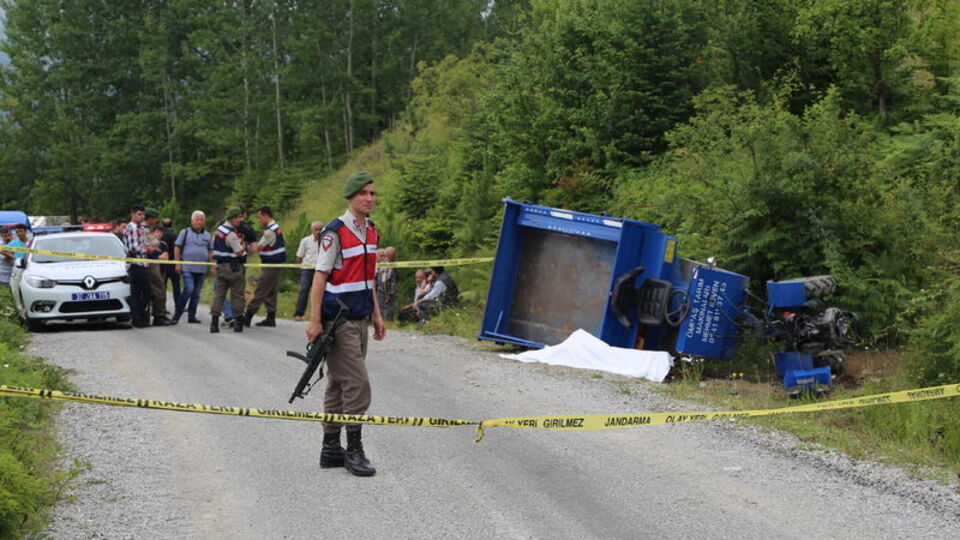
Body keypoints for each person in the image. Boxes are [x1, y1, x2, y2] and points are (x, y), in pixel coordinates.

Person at [306, 171, 387, 477]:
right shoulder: (335, 232)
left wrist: (376, 315)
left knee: (339, 384)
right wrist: (315, 320)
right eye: (363, 193)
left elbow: (369, 279)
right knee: (357, 383)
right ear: (350, 197)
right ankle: (354, 450)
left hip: (360, 317)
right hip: (337, 321)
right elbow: (319, 278)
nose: (369, 198)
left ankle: (330, 448)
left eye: (372, 193)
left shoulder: (371, 231)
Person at [241, 205, 285, 328]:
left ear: (265, 215)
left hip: (271, 264)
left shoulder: (270, 231)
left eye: (259, 217)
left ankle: (248, 316)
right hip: (274, 263)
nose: (258, 220)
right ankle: (271, 317)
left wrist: (245, 246)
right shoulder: (275, 227)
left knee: (261, 289)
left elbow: (257, 248)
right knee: (271, 291)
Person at [210, 207, 247, 333]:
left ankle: (214, 323)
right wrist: (244, 245)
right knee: (237, 295)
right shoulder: (230, 234)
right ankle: (238, 323)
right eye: (238, 218)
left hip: (221, 266)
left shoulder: (219, 230)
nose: (240, 220)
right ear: (231, 218)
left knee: (219, 295)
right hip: (233, 267)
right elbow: (239, 251)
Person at [173, 210, 213, 324]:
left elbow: (210, 250)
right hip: (187, 268)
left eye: (201, 220)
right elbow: (177, 247)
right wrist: (177, 263)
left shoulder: (207, 235)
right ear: (192, 221)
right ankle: (177, 315)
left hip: (201, 269)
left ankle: (192, 316)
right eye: (197, 219)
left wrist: (212, 264)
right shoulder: (185, 232)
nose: (199, 222)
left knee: (196, 294)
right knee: (189, 289)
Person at [123, 205, 152, 328]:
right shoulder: (133, 227)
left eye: (143, 214)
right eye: (139, 214)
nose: (142, 216)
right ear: (133, 214)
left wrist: (155, 245)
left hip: (142, 263)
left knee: (139, 293)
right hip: (136, 264)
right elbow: (133, 248)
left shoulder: (142, 228)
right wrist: (147, 249)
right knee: (145, 292)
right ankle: (137, 317)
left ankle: (138, 318)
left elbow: (149, 241)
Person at [293, 221, 323, 321]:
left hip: (320, 270)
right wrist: (301, 268)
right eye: (316, 229)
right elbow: (299, 256)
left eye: (320, 229)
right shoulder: (305, 241)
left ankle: (319, 315)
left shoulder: (326, 241)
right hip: (307, 269)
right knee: (304, 290)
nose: (318, 232)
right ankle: (299, 314)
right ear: (312, 230)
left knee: (321, 292)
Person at [146, 225, 174, 326]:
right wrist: (158, 257)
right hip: (152, 269)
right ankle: (158, 315)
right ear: (153, 232)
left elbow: (165, 257)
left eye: (161, 232)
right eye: (157, 232)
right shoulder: (149, 241)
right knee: (158, 292)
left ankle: (161, 314)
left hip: (162, 270)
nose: (159, 234)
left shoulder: (163, 244)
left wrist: (158, 257)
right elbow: (150, 255)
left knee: (162, 292)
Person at [161, 218, 181, 308]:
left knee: (162, 286)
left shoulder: (160, 235)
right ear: (172, 225)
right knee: (176, 286)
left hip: (162, 263)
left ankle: (162, 306)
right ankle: (178, 305)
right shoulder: (174, 235)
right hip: (173, 262)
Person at [375, 246, 398, 321]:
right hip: (384, 294)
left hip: (382, 293)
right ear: (392, 255)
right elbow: (384, 281)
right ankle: (387, 325)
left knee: (384, 311)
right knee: (386, 312)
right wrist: (387, 294)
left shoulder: (383, 264)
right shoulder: (387, 265)